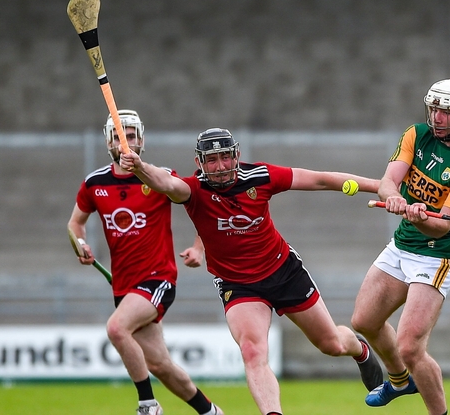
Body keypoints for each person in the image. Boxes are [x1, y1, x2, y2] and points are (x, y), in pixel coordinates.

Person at [118, 127, 385, 415]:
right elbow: (164, 183)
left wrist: (379, 186)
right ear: (199, 163)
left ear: (236, 155)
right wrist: (140, 167)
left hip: (284, 272)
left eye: (225, 157)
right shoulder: (193, 189)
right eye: (211, 160)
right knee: (252, 351)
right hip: (239, 285)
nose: (220, 166)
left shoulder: (260, 176)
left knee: (331, 344)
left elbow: (320, 179)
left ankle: (359, 349)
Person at [67, 110, 224, 415]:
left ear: (141, 140)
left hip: (158, 278)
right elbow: (75, 223)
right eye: (118, 137)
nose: (125, 143)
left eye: (131, 136)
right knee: (160, 365)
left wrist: (199, 248)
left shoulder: (159, 177)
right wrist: (81, 244)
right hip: (123, 285)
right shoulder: (94, 183)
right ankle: (210, 412)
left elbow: (205, 208)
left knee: (116, 329)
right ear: (108, 142)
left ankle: (148, 405)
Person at [350, 78, 450, 415]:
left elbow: (442, 226)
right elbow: (388, 181)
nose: (437, 117)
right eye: (434, 109)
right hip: (402, 246)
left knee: (410, 348)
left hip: (436, 256)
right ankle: (400, 381)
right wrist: (395, 198)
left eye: (446, 111)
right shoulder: (416, 135)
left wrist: (420, 216)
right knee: (364, 321)